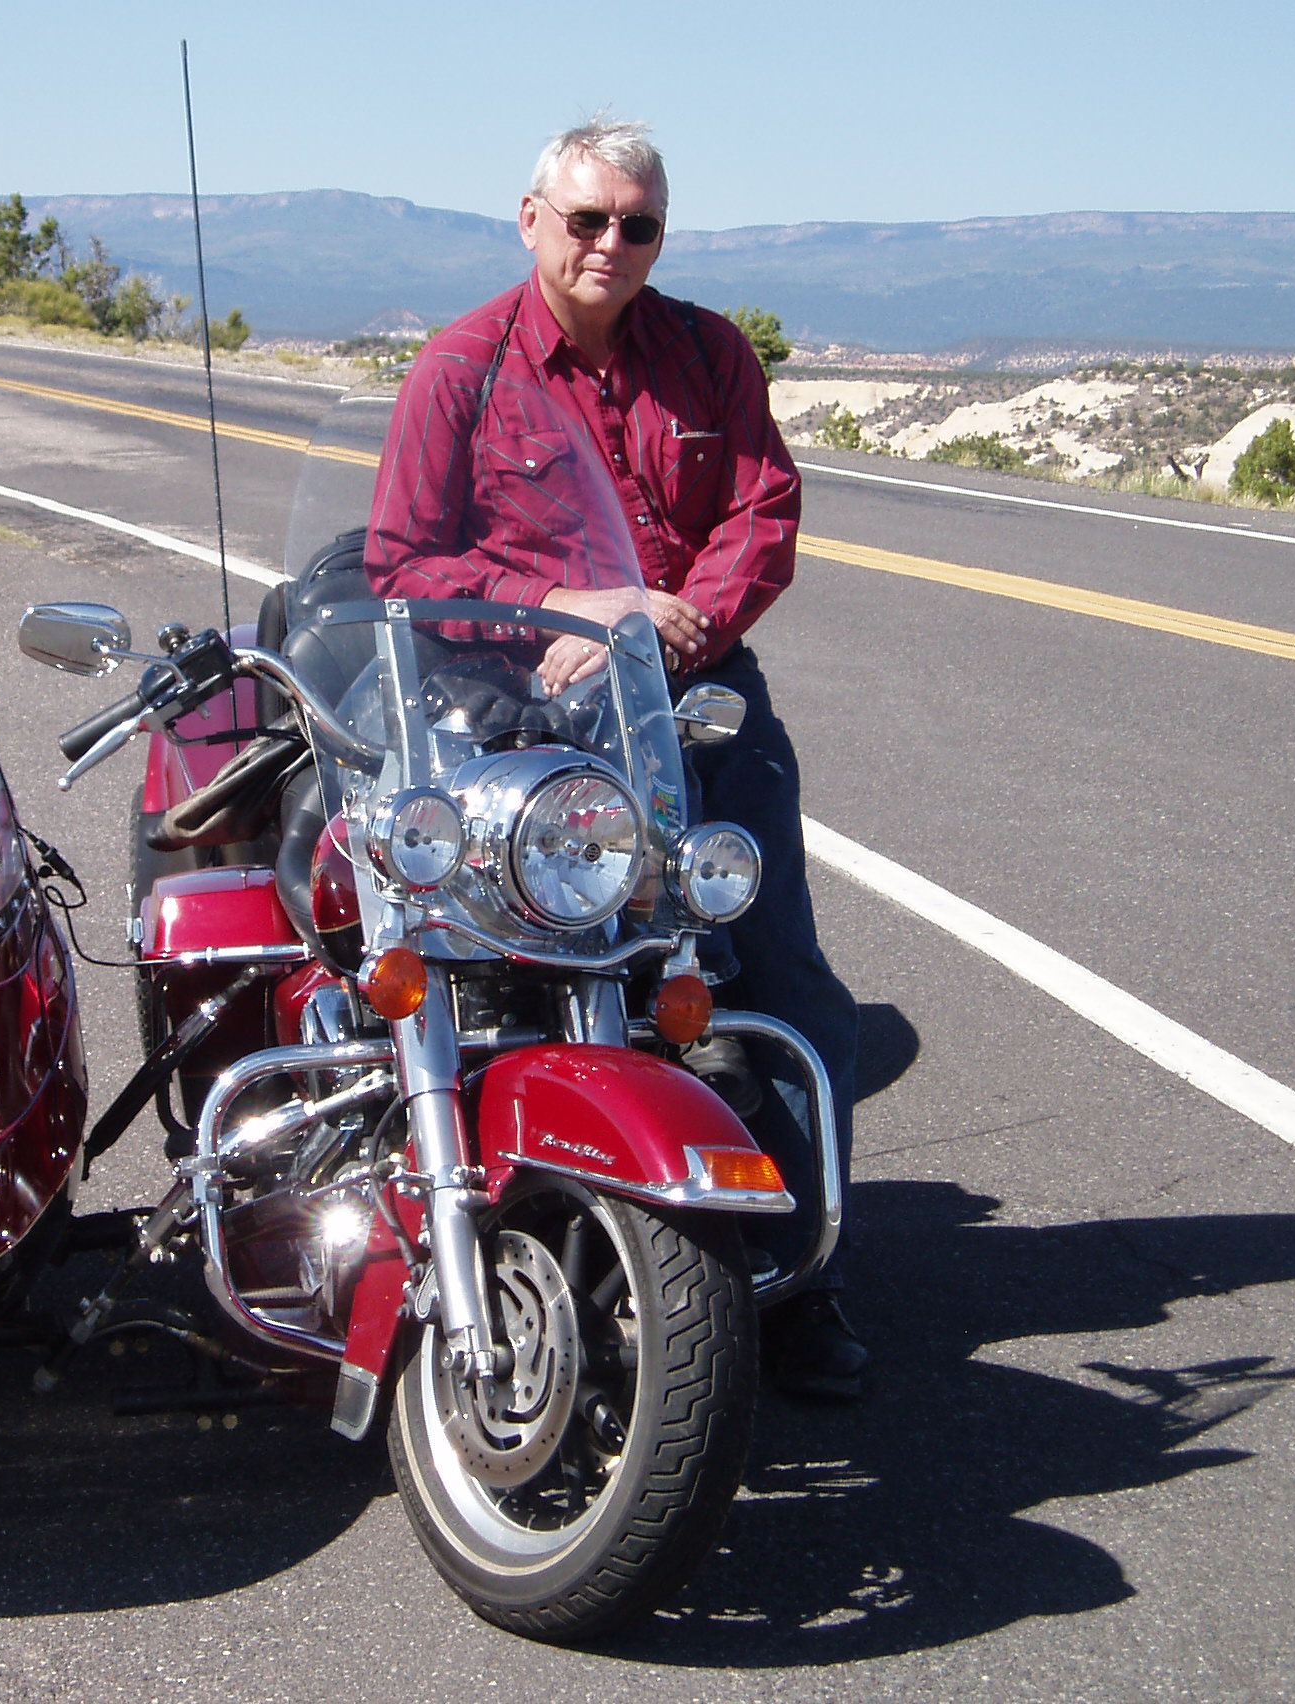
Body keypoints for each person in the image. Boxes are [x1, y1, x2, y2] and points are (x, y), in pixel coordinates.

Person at [363, 116, 867, 1400]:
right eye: (585, 218)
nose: (609, 244)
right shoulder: (461, 368)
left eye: (636, 224)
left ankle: (802, 1279)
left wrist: (677, 622)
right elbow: (403, 567)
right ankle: (473, 1206)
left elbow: (761, 510)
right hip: (520, 703)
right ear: (531, 219)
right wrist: (563, 609)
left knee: (776, 972)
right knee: (476, 955)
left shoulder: (707, 353)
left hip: (693, 690)